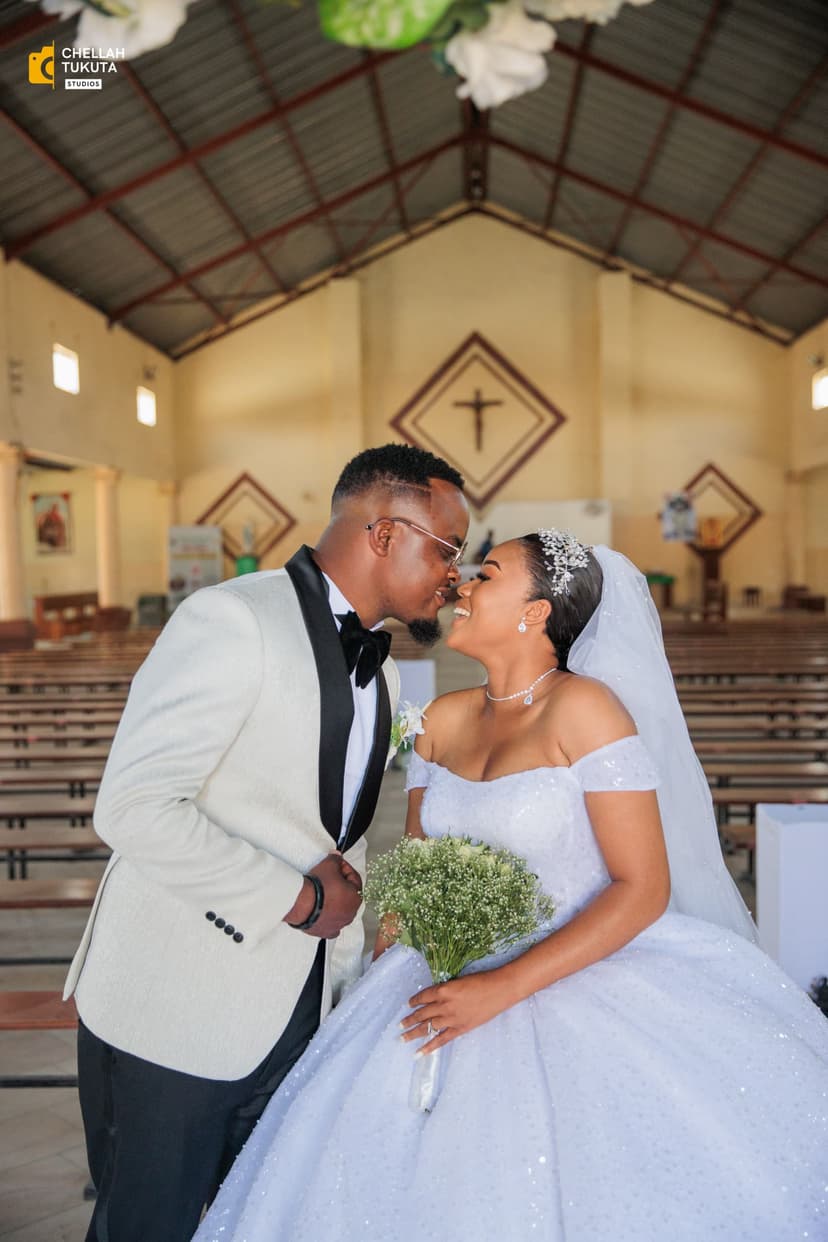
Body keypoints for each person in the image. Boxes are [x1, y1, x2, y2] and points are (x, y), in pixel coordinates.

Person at [195, 530, 828, 1242]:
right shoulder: (438, 722)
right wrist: (391, 955)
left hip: (581, 982)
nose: (461, 588)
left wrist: (503, 986)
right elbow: (417, 865)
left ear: (536, 612)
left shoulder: (586, 712)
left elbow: (642, 887)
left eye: (487, 576)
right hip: (430, 980)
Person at [64, 444, 469, 1242]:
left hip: (300, 1006)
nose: (454, 576)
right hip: (171, 1007)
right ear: (384, 534)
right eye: (447, 549)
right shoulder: (233, 618)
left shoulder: (383, 678)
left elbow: (306, 823)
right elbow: (135, 806)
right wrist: (301, 895)